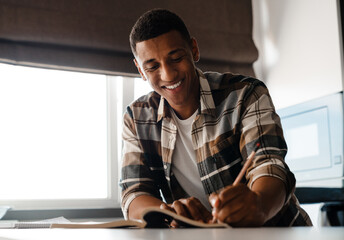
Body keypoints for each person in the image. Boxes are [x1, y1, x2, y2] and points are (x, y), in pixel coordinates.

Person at [119, 8, 312, 227]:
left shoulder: (246, 94)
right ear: (140, 70)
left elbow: (269, 165)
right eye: (153, 66)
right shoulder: (136, 118)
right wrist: (170, 212)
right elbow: (134, 193)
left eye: (176, 58)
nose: (168, 74)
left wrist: (259, 205)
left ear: (194, 50)